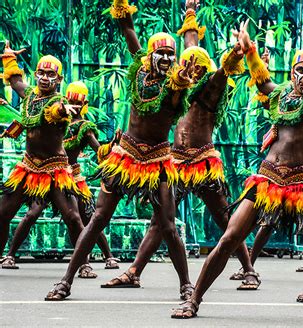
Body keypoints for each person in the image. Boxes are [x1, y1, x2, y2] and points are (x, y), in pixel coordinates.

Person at [171, 20, 303, 321]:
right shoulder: (281, 95)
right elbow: (261, 80)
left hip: (302, 185)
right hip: (267, 179)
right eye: (301, 69)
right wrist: (248, 49)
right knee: (228, 239)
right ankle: (195, 300)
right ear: (292, 71)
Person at [101, 0, 260, 292]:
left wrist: (237, 52)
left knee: (224, 217)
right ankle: (134, 271)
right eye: (184, 62)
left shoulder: (212, 85)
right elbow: (191, 42)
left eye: (193, 65)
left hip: (203, 162)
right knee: (160, 221)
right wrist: (190, 12)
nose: (186, 67)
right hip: (175, 160)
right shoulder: (178, 83)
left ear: (202, 68)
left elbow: (223, 69)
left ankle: (249, 270)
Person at [44, 0, 197, 301]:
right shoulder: (139, 71)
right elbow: (127, 28)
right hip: (125, 155)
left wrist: (180, 78)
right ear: (150, 56)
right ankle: (66, 281)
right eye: (161, 53)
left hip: (157, 160)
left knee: (167, 224)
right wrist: (120, 5)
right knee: (99, 217)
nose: (166, 57)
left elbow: (178, 87)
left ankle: (187, 285)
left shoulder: (175, 85)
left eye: (171, 54)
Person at [1, 82, 120, 273]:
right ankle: (10, 254)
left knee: (82, 217)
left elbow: (99, 151)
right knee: (31, 214)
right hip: (36, 172)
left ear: (84, 104)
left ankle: (102, 257)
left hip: (66, 175)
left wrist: (111, 148)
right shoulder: (54, 111)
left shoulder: (84, 126)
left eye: (78, 103)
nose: (74, 105)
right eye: (71, 100)